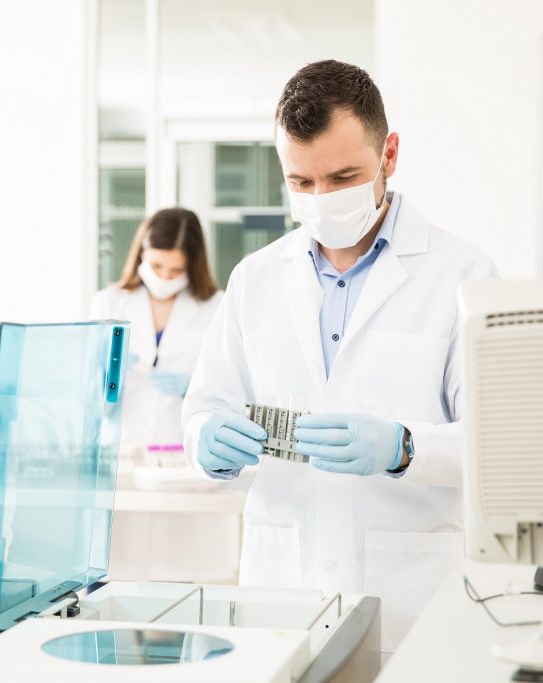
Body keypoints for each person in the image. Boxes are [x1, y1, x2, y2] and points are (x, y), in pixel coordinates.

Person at [182, 60, 497, 660]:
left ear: (390, 155)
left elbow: (498, 446)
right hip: (281, 593)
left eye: (343, 176)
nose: (322, 199)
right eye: (301, 183)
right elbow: (208, 404)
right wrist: (206, 439)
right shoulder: (256, 278)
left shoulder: (463, 275)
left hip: (408, 596)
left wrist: (405, 448)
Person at [92, 207, 223, 448]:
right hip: (123, 448)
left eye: (176, 270)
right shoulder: (109, 302)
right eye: (156, 266)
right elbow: (88, 393)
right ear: (141, 254)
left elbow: (229, 389)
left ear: (193, 265)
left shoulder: (216, 308)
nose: (164, 277)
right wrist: (105, 378)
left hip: (183, 450)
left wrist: (191, 389)